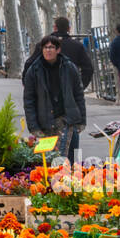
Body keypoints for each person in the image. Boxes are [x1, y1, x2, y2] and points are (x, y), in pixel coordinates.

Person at [22, 34, 86, 162]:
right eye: (45, 47)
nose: (48, 50)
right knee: (50, 161)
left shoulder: (69, 67)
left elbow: (78, 94)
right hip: (45, 122)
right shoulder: (34, 71)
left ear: (58, 50)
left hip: (67, 120)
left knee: (66, 159)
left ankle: (69, 181)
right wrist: (33, 127)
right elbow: (29, 101)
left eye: (51, 47)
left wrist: (82, 121)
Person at [53, 17, 94, 89]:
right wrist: (81, 86)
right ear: (69, 28)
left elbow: (30, 66)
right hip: (71, 87)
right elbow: (88, 68)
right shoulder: (77, 45)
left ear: (55, 27)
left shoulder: (43, 45)